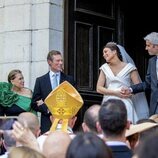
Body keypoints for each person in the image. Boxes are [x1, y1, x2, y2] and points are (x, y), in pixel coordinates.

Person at [96, 42, 149, 123]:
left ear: (114, 52)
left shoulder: (130, 68)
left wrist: (128, 92)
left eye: (106, 51)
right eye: (103, 53)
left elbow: (138, 88)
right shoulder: (104, 68)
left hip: (125, 103)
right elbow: (99, 88)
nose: (104, 54)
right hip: (108, 103)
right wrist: (115, 93)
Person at [31, 50, 76, 134]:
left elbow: (74, 100)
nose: (61, 63)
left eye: (61, 60)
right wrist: (48, 109)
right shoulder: (40, 81)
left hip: (66, 122)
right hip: (47, 123)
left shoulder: (69, 79)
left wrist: (44, 103)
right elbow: (34, 103)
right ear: (49, 62)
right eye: (58, 61)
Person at [123, 32, 158, 116]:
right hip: (155, 107)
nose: (146, 48)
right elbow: (148, 84)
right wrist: (131, 89)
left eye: (148, 45)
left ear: (156, 46)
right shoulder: (152, 61)